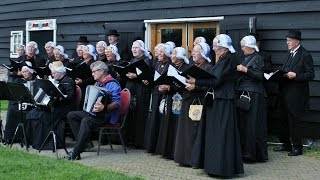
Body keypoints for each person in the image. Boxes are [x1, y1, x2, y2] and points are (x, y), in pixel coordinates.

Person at [188, 34, 244, 177]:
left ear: (223, 47)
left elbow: (216, 80)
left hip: (223, 101)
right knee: (216, 134)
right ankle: (214, 165)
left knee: (221, 134)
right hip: (219, 100)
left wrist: (197, 81)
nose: (214, 49)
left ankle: (220, 167)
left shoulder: (228, 60)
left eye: (216, 46)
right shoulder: (223, 60)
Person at [66, 61, 121, 160]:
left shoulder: (113, 84)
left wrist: (104, 107)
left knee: (86, 120)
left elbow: (116, 103)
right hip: (94, 114)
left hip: (105, 116)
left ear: (102, 71)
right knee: (71, 115)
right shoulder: (97, 83)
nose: (92, 74)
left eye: (94, 72)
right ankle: (85, 144)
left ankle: (76, 152)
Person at [273, 30, 314, 156]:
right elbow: (285, 70)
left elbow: (311, 75)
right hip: (284, 93)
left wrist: (296, 75)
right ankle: (286, 144)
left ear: (297, 41)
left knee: (294, 121)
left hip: (296, 96)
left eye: (289, 40)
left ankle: (297, 147)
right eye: (287, 40)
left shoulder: (305, 55)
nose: (287, 42)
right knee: (282, 120)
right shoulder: (289, 54)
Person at [174, 42, 213, 166]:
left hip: (198, 102)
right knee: (184, 132)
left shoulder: (208, 67)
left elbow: (210, 86)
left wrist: (196, 86)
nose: (193, 54)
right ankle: (183, 158)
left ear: (203, 54)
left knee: (193, 132)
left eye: (196, 52)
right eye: (193, 52)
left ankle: (193, 159)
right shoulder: (191, 66)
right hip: (187, 100)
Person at [26, 61, 76, 150]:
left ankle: (45, 142)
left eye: (54, 73)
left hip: (64, 108)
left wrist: (59, 96)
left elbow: (69, 97)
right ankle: (33, 140)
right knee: (33, 112)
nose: (52, 75)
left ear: (61, 72)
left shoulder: (68, 82)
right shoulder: (58, 81)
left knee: (42, 115)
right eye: (52, 73)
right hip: (56, 105)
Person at [236, 35, 268, 162]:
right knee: (245, 125)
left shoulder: (258, 58)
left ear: (250, 47)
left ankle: (252, 155)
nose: (242, 49)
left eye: (244, 46)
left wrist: (245, 70)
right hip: (246, 94)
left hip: (254, 95)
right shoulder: (247, 57)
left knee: (253, 125)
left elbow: (260, 76)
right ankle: (246, 152)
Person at [155, 47, 190, 159]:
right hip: (170, 98)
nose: (171, 56)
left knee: (176, 125)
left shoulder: (186, 68)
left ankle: (176, 152)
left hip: (180, 99)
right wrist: (163, 86)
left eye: (174, 54)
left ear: (180, 56)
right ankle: (167, 151)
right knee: (168, 123)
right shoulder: (172, 67)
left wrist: (170, 87)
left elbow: (183, 84)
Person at [144, 43, 171, 153]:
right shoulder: (157, 63)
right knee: (153, 118)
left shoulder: (170, 64)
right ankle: (151, 146)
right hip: (155, 93)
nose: (158, 54)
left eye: (160, 51)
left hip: (164, 95)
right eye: (157, 51)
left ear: (166, 52)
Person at [125, 40, 152, 148]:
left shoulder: (146, 60)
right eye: (133, 47)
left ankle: (139, 141)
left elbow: (149, 75)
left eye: (136, 47)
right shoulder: (132, 59)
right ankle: (130, 139)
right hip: (131, 90)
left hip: (141, 91)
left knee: (140, 115)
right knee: (130, 115)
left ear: (142, 49)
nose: (134, 49)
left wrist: (136, 76)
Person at [3, 61, 36, 145]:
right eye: (23, 72)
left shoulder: (36, 81)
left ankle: (25, 138)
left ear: (31, 72)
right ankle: (9, 137)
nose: (24, 74)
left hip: (32, 104)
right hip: (21, 103)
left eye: (26, 72)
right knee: (12, 111)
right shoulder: (19, 81)